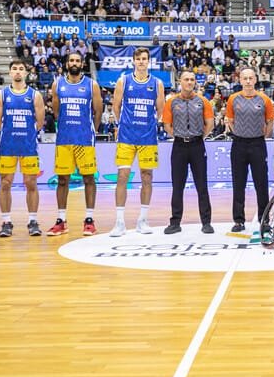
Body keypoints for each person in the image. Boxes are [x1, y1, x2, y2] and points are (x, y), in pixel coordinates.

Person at [110, 47, 166, 237]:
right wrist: (122, 124)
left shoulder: (157, 83)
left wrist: (153, 124)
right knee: (122, 176)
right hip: (126, 136)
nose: (141, 61)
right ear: (133, 61)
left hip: (147, 137)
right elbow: (116, 106)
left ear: (148, 61)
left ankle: (143, 220)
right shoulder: (124, 81)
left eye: (144, 58)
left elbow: (160, 110)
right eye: (139, 58)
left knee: (147, 177)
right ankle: (119, 222)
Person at [48, 51, 103, 237]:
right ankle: (61, 220)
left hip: (84, 138)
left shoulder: (91, 85)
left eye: (77, 61)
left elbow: (98, 111)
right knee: (63, 180)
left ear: (82, 64)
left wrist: (92, 130)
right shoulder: (57, 84)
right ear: (66, 64)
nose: (74, 63)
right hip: (64, 138)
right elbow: (56, 112)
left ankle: (89, 219)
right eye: (71, 60)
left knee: (89, 178)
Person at [0, 59, 46, 238]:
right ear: (10, 73)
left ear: (26, 73)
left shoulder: (35, 95)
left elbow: (40, 122)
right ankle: (6, 221)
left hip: (28, 145)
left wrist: (27, 133)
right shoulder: (1, 94)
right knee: (5, 183)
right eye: (14, 69)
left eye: (21, 68)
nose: (17, 71)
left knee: (31, 183)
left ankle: (33, 220)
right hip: (8, 145)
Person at [162, 70, 215, 234]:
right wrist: (180, 136)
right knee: (177, 186)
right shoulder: (171, 102)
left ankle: (206, 222)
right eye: (186, 79)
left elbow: (210, 124)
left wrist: (198, 137)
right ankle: (175, 222)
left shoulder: (203, 101)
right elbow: (167, 126)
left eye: (192, 79)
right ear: (180, 81)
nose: (189, 82)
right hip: (179, 146)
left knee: (202, 185)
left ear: (195, 82)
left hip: (197, 146)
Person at [226, 66, 274, 233]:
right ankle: (238, 220)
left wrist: (261, 136)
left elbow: (270, 122)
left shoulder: (264, 99)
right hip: (238, 145)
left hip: (258, 144)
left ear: (255, 79)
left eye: (250, 78)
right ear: (240, 80)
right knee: (238, 183)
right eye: (245, 78)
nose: (248, 81)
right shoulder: (233, 99)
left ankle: (264, 219)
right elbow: (230, 121)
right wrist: (240, 134)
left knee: (261, 184)